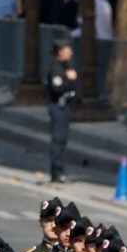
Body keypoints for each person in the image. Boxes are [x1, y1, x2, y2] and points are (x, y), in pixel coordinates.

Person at [44, 40, 79, 183]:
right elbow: (57, 87)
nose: (70, 52)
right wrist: (69, 80)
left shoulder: (66, 65)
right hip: (58, 106)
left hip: (65, 106)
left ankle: (59, 169)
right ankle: (56, 171)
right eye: (67, 49)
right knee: (58, 139)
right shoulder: (56, 67)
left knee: (62, 139)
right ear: (60, 51)